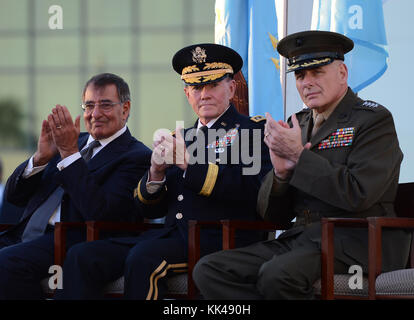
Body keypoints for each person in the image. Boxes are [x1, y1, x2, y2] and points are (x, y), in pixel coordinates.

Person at [193, 31, 412, 299]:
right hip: (303, 238)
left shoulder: (373, 120)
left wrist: (299, 157)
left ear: (342, 73)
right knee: (211, 269)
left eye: (316, 72)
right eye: (299, 75)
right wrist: (281, 175)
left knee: (277, 276)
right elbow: (273, 217)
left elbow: (358, 194)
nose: (306, 82)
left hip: (356, 240)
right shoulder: (299, 122)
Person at [56, 43, 272, 300]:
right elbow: (150, 209)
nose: (204, 94)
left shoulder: (254, 131)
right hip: (172, 236)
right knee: (83, 255)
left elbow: (254, 192)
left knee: (144, 259)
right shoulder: (181, 137)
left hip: (223, 239)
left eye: (212, 85)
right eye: (196, 87)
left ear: (231, 88)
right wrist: (155, 174)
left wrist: (190, 164)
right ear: (186, 93)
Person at [0, 73, 152, 299]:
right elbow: (14, 196)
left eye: (106, 105)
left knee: (5, 263)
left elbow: (102, 213)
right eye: (89, 106)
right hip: (25, 233)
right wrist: (40, 158)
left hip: (74, 239)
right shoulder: (70, 140)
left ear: (126, 108)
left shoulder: (136, 156)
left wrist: (70, 155)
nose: (96, 114)